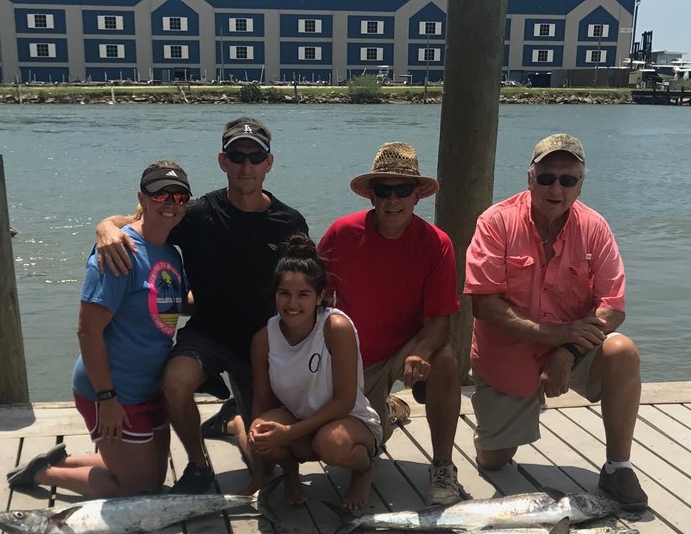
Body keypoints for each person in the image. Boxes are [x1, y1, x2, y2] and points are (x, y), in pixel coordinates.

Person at [95, 117, 307, 494]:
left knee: (267, 462)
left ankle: (233, 422)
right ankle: (196, 464)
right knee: (174, 382)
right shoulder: (194, 215)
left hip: (261, 345)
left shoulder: (289, 222)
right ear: (222, 161)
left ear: (269, 163)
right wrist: (105, 228)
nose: (245, 166)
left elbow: (304, 288)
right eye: (236, 155)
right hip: (207, 334)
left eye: (255, 156)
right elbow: (133, 222)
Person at [463, 133, 647, 512]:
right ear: (529, 178)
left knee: (622, 350)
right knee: (492, 460)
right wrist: (556, 333)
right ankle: (515, 412)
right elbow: (484, 305)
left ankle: (618, 466)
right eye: (547, 178)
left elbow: (613, 306)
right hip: (508, 357)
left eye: (568, 180)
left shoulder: (595, 227)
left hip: (572, 349)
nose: (556, 189)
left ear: (581, 183)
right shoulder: (495, 222)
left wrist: (565, 350)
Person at [7, 162, 191, 497]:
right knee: (138, 490)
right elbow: (87, 332)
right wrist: (107, 398)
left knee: (153, 477)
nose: (170, 203)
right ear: (142, 197)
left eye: (179, 196)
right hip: (112, 391)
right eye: (160, 194)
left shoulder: (172, 253)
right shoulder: (119, 253)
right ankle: (44, 474)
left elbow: (174, 300)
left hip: (150, 387)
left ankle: (63, 461)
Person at [317, 141, 467, 506]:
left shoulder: (437, 244)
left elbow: (439, 323)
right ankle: (387, 409)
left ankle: (443, 466)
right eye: (384, 190)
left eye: (403, 190)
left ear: (418, 195)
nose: (393, 200)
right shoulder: (341, 233)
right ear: (371, 195)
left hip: (405, 350)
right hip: (352, 357)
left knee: (445, 359)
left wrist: (422, 352)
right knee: (339, 448)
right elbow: (309, 298)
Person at [247, 235, 382, 510]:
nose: (292, 303)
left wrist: (289, 432)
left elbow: (344, 401)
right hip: (298, 421)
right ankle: (290, 473)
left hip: (349, 419)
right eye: (284, 293)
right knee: (259, 429)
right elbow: (262, 402)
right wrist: (259, 465)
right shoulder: (264, 338)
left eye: (303, 294)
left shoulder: (335, 327)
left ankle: (363, 470)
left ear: (320, 296)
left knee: (331, 444)